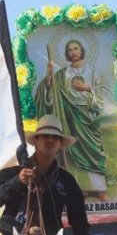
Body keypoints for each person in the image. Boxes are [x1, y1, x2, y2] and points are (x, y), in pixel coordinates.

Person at [34, 39, 108, 193]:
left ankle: (97, 189)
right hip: (67, 117)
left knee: (92, 152)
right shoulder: (61, 74)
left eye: (76, 49)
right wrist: (48, 77)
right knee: (70, 152)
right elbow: (49, 94)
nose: (73, 52)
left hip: (87, 117)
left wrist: (87, 88)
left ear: (81, 50)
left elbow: (104, 93)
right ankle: (78, 189)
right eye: (70, 50)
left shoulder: (93, 71)